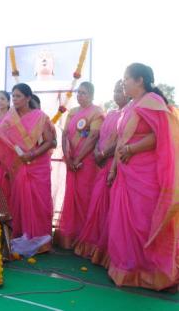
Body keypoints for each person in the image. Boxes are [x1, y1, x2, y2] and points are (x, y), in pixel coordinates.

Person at [106, 63, 179, 290]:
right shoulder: (130, 106)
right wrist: (114, 168)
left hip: (146, 175)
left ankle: (151, 272)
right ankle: (129, 268)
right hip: (126, 174)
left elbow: (161, 137)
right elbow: (120, 140)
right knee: (125, 222)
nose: (124, 82)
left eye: (127, 78)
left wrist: (131, 150)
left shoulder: (153, 102)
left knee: (144, 221)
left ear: (140, 80)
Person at [0, 83, 55, 252]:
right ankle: (25, 235)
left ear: (28, 98)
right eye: (13, 96)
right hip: (20, 166)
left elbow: (50, 141)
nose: (14, 99)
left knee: (38, 202)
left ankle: (41, 242)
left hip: (37, 166)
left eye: (18, 96)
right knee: (21, 200)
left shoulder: (40, 116)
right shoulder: (11, 117)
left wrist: (32, 155)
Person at [74, 80, 129, 267]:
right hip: (101, 162)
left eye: (120, 90)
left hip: (115, 164)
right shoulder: (111, 113)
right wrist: (97, 151)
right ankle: (94, 247)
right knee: (97, 204)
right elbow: (99, 137)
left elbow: (122, 140)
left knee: (110, 207)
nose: (116, 94)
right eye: (114, 90)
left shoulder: (129, 113)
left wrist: (105, 154)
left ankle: (106, 250)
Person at [54, 82, 104, 249]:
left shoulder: (97, 112)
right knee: (71, 197)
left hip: (86, 162)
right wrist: (68, 157)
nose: (79, 96)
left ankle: (85, 239)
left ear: (91, 94)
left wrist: (78, 159)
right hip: (72, 161)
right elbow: (65, 135)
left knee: (85, 197)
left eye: (83, 93)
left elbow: (93, 138)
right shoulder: (73, 112)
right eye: (78, 92)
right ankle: (70, 238)